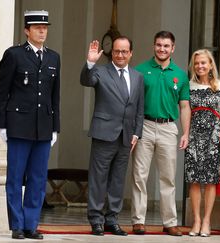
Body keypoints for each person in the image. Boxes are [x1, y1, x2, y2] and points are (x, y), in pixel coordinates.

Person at [0, 10, 60, 240]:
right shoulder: (14, 55)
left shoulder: (53, 58)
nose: (42, 30)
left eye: (45, 27)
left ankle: (31, 224)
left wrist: (55, 127)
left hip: (43, 126)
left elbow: (55, 96)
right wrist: (0, 123)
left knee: (38, 178)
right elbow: (2, 91)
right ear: (26, 30)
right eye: (37, 27)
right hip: (18, 125)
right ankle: (17, 226)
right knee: (15, 177)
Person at [80, 36, 144, 236]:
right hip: (104, 134)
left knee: (117, 180)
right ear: (111, 52)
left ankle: (112, 219)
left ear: (131, 53)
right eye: (117, 51)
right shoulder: (100, 71)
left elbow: (139, 108)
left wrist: (137, 132)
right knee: (98, 178)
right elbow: (85, 80)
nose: (120, 55)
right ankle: (96, 220)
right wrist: (90, 62)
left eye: (125, 51)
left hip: (126, 136)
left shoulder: (137, 76)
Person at [131, 31, 190, 236]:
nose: (162, 49)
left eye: (166, 46)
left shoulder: (181, 75)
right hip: (144, 126)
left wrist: (185, 133)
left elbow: (184, 106)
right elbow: (133, 104)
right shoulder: (140, 71)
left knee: (168, 177)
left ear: (173, 48)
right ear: (153, 46)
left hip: (168, 127)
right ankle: (138, 220)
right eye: (158, 45)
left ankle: (170, 221)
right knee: (140, 175)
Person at [184, 49, 220, 237]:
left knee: (211, 181)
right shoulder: (188, 86)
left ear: (211, 64)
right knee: (194, 180)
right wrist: (186, 135)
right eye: (197, 63)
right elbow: (185, 110)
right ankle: (196, 220)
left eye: (203, 63)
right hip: (195, 137)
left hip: (214, 138)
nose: (200, 66)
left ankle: (207, 221)